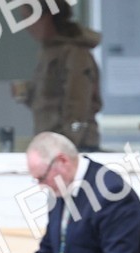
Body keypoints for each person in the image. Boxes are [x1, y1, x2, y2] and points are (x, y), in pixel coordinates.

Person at [27, 132, 140, 253]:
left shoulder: (112, 192)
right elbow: (48, 252)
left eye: (42, 178)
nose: (41, 185)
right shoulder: (59, 189)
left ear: (63, 161)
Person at [15, 5, 102, 152]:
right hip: (54, 146)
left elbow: (78, 104)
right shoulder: (50, 52)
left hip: (72, 150)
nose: (26, 26)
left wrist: (66, 146)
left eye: (28, 19)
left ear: (46, 18)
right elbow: (50, 100)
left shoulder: (75, 53)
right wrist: (30, 93)